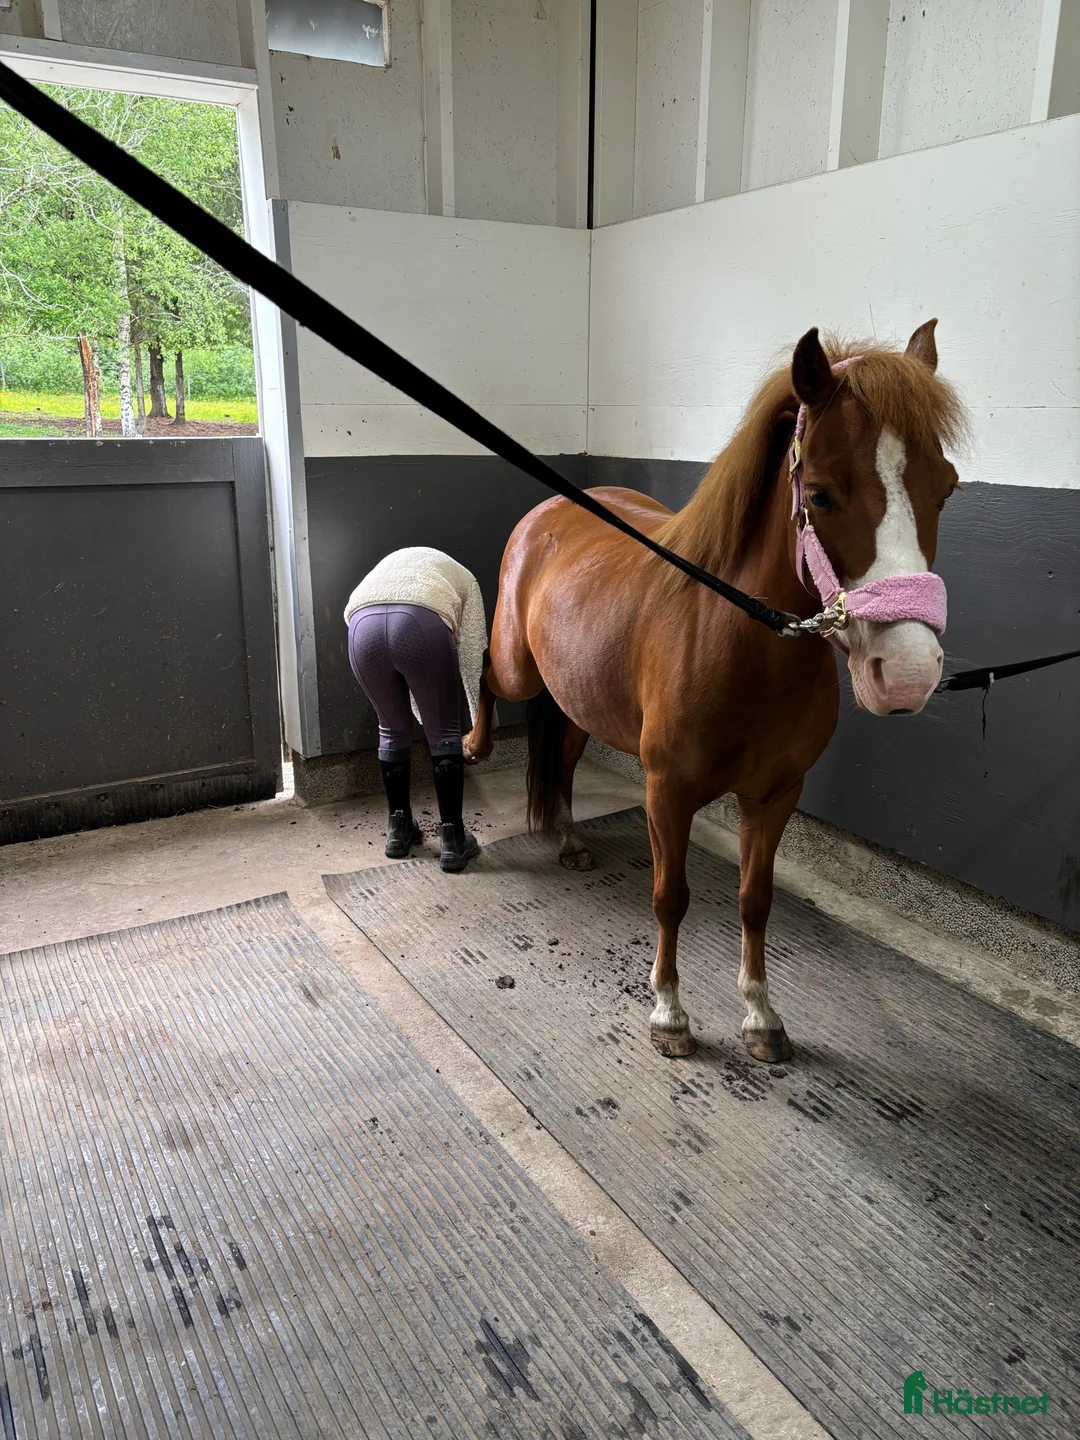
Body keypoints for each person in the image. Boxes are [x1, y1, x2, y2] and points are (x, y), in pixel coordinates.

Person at [344, 547, 489, 872]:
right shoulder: (465, 579)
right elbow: (472, 653)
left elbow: (354, 608)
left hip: (361, 626)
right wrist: (480, 720)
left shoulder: (394, 565)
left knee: (390, 730)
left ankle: (398, 831)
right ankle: (453, 840)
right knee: (444, 733)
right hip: (419, 622)